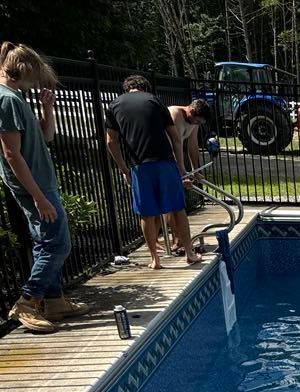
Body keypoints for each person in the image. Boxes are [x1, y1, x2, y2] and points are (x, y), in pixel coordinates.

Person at [0, 42, 89, 333]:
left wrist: (47, 108)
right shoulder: (6, 100)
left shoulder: (17, 97)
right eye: (35, 74)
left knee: (46, 244)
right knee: (58, 244)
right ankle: (27, 302)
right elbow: (11, 154)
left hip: (42, 183)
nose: (37, 81)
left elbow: (47, 136)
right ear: (22, 70)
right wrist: (38, 197)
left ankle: (54, 301)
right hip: (35, 187)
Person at [103, 75, 201, 270]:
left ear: (127, 88)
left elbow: (110, 142)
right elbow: (175, 138)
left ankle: (155, 259)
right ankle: (190, 253)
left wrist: (124, 169)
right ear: (145, 88)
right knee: (177, 209)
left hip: (139, 166)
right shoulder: (154, 101)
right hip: (164, 162)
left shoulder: (114, 106)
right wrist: (181, 168)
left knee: (147, 214)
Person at [167, 98, 211, 253]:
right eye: (197, 121)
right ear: (190, 111)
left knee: (174, 202)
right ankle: (176, 241)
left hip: (173, 160)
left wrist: (195, 169)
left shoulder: (193, 122)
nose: (197, 125)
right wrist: (182, 172)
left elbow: (192, 146)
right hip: (162, 158)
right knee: (172, 203)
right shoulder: (174, 114)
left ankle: (177, 241)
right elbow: (175, 144)